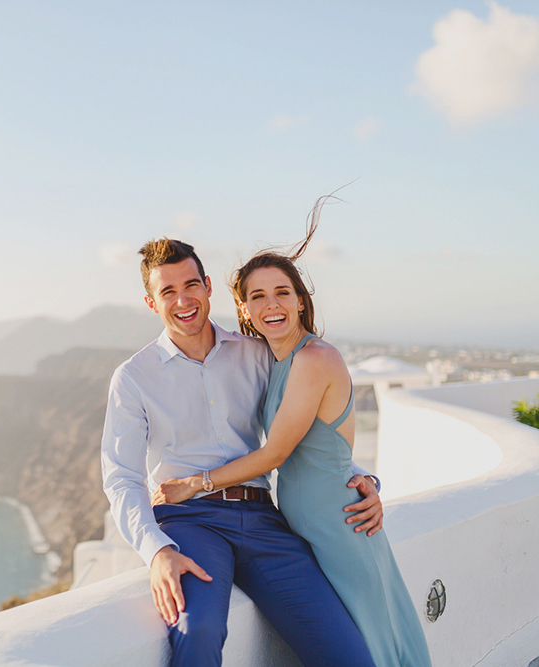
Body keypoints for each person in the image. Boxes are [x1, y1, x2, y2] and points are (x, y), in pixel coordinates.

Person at [151, 201, 432, 666]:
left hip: (340, 526)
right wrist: (368, 477)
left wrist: (193, 485)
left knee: (375, 641)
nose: (271, 305)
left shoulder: (314, 358)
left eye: (282, 292)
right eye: (257, 296)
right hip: (304, 530)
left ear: (301, 299)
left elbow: (277, 452)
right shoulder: (269, 359)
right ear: (243, 307)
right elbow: (321, 445)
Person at [102, 236, 383, 667]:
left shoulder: (256, 355)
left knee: (346, 651)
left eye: (191, 285)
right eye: (168, 291)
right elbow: (122, 477)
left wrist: (364, 478)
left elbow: (303, 431)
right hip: (188, 520)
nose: (183, 299)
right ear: (150, 302)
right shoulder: (133, 377)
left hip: (262, 519)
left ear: (208, 285)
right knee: (197, 631)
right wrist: (156, 550)